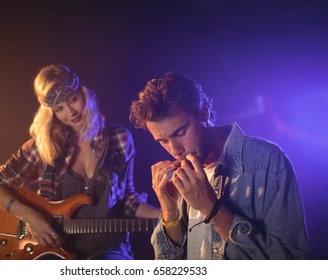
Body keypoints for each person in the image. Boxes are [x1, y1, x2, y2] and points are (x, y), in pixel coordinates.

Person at [0, 64, 160, 260]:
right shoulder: (43, 146)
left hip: (108, 248)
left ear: (84, 94)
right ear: (50, 112)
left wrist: (164, 215)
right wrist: (30, 217)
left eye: (73, 100)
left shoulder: (118, 138)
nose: (70, 112)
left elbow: (127, 200)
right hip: (54, 252)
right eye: (59, 109)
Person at [129, 72, 309, 259]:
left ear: (203, 112)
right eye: (163, 141)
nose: (175, 150)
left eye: (180, 132)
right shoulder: (179, 175)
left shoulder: (266, 160)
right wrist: (170, 212)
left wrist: (211, 208)